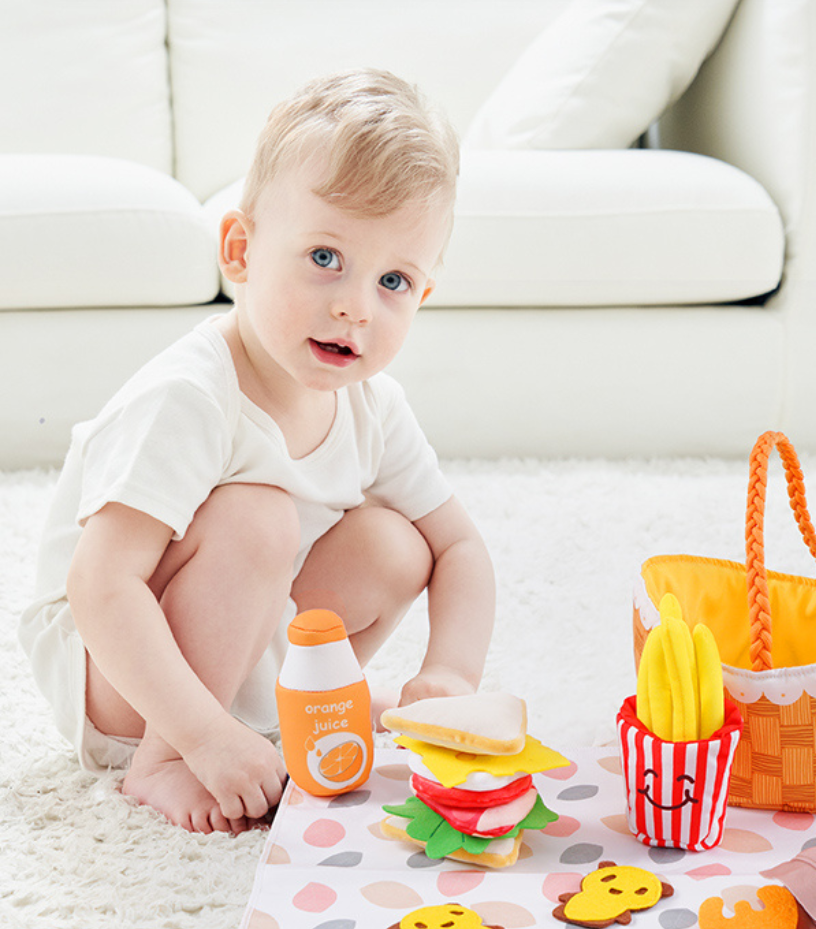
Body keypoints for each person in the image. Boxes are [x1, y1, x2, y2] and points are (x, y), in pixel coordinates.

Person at [18, 70, 495, 835]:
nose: (354, 305)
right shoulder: (190, 396)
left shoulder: (373, 405)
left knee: (399, 545)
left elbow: (461, 546)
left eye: (394, 280)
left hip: (235, 631)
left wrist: (451, 672)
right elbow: (100, 586)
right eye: (325, 258)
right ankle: (167, 761)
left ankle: (289, 706)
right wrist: (202, 738)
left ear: (423, 295)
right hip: (113, 672)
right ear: (241, 251)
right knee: (258, 519)